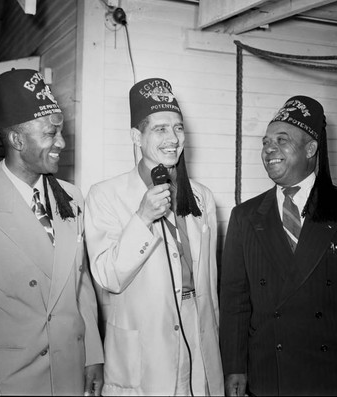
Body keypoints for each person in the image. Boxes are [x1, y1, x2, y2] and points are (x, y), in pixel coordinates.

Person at [0, 69, 104, 395]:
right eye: (50, 133)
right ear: (17, 139)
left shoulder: (71, 197)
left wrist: (92, 354)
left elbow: (79, 284)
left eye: (61, 132)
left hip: (69, 372)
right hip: (11, 383)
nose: (62, 143)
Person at [219, 96, 337, 396]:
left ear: (311, 149)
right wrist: (235, 366)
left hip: (334, 377)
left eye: (281, 140)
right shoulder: (245, 217)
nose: (268, 149)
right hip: (268, 377)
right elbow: (235, 302)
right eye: (266, 142)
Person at [85, 78, 224, 396]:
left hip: (198, 335)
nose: (173, 138)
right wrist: (143, 218)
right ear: (137, 136)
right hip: (144, 346)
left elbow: (210, 287)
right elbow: (107, 277)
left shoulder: (201, 197)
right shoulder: (105, 195)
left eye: (178, 128)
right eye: (160, 129)